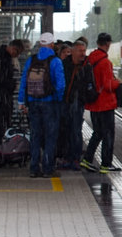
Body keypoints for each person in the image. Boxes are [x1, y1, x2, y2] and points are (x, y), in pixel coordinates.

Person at [18, 32, 66, 178]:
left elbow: (24, 81)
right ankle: (48, 168)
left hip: (33, 102)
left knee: (35, 135)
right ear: (52, 45)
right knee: (50, 136)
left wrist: (21, 101)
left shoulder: (31, 60)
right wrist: (58, 99)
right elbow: (61, 85)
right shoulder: (55, 61)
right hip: (50, 103)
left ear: (40, 44)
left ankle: (34, 168)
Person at [82, 32, 121, 173]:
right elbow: (108, 84)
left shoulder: (89, 60)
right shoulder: (105, 62)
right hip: (105, 103)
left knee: (97, 133)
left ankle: (87, 159)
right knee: (108, 134)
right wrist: (118, 83)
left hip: (93, 103)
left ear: (98, 43)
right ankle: (106, 164)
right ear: (108, 44)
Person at [57, 38, 89, 171]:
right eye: (80, 51)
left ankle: (75, 158)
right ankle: (67, 157)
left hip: (77, 102)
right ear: (73, 51)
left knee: (75, 131)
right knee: (65, 130)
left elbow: (89, 83)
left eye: (84, 51)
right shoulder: (64, 64)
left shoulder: (86, 65)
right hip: (65, 102)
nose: (83, 54)